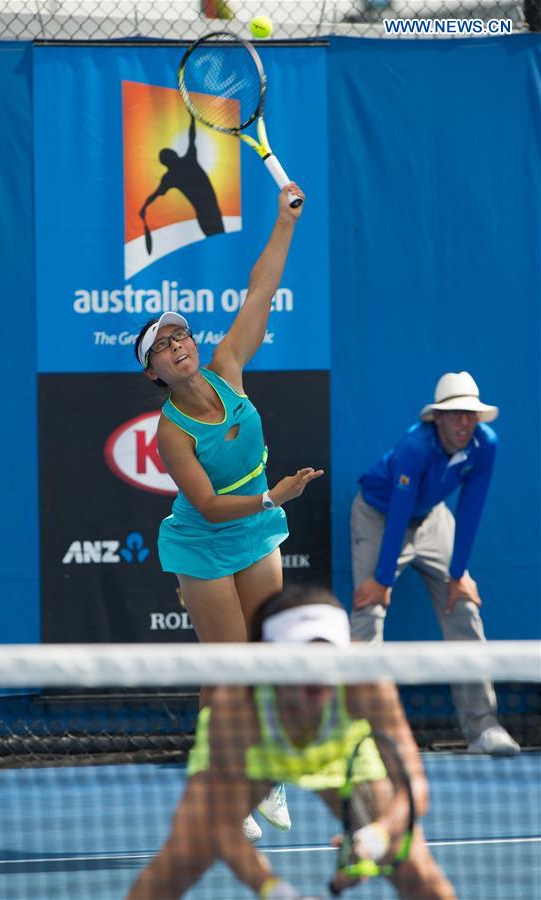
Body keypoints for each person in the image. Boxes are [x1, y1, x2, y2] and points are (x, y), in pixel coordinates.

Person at [134, 183, 323, 840]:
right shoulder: (170, 431)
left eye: (180, 333)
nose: (178, 345)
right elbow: (210, 508)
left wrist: (284, 223)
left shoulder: (228, 366)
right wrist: (274, 494)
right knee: (230, 669)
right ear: (154, 372)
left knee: (267, 660)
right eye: (163, 345)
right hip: (206, 541)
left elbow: (261, 289)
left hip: (256, 530)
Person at [127, 586, 455, 899]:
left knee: (417, 872)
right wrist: (274, 890)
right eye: (302, 659)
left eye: (328, 656)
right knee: (179, 862)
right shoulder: (238, 702)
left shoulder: (365, 683)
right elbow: (221, 825)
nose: (318, 672)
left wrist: (377, 837)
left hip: (338, 751)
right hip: (257, 753)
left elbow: (414, 788)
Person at [350, 371, 519, 756]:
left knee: (464, 608)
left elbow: (471, 507)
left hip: (433, 519)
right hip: (381, 516)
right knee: (369, 611)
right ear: (437, 418)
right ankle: (365, 736)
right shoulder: (415, 447)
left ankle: (483, 728)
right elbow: (398, 512)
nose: (464, 422)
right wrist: (382, 579)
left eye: (470, 414)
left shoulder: (484, 444)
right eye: (455, 414)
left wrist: (458, 574)